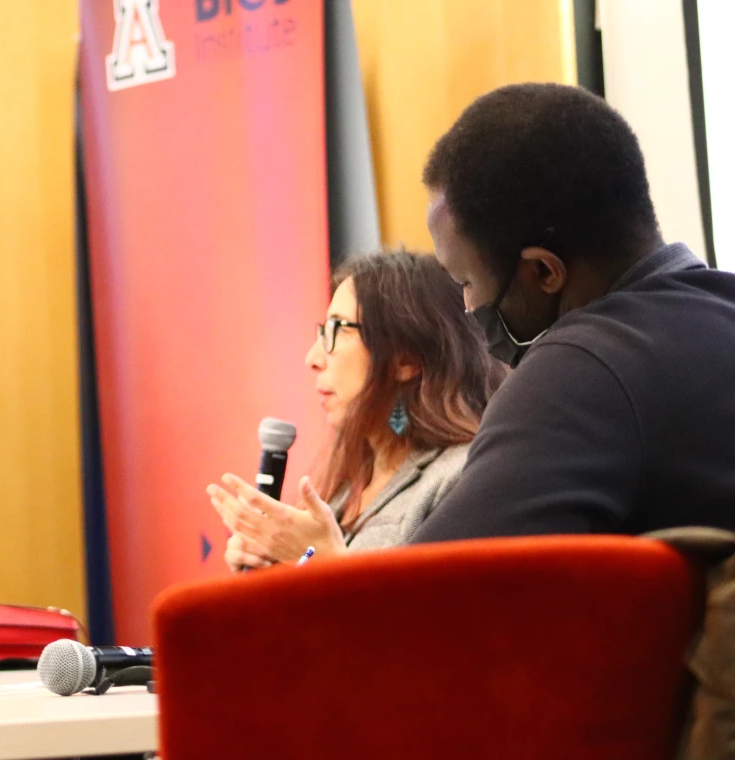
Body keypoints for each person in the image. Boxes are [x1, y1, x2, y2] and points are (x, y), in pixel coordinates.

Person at [412, 82, 735, 542]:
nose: (466, 305)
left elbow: (425, 595)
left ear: (544, 271)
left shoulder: (578, 373)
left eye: (465, 281)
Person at [208, 251, 505, 569]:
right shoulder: (347, 482)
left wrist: (320, 560)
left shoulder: (461, 477)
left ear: (405, 358)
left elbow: (435, 613)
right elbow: (310, 573)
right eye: (321, 333)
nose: (313, 357)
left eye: (337, 330)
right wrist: (275, 568)